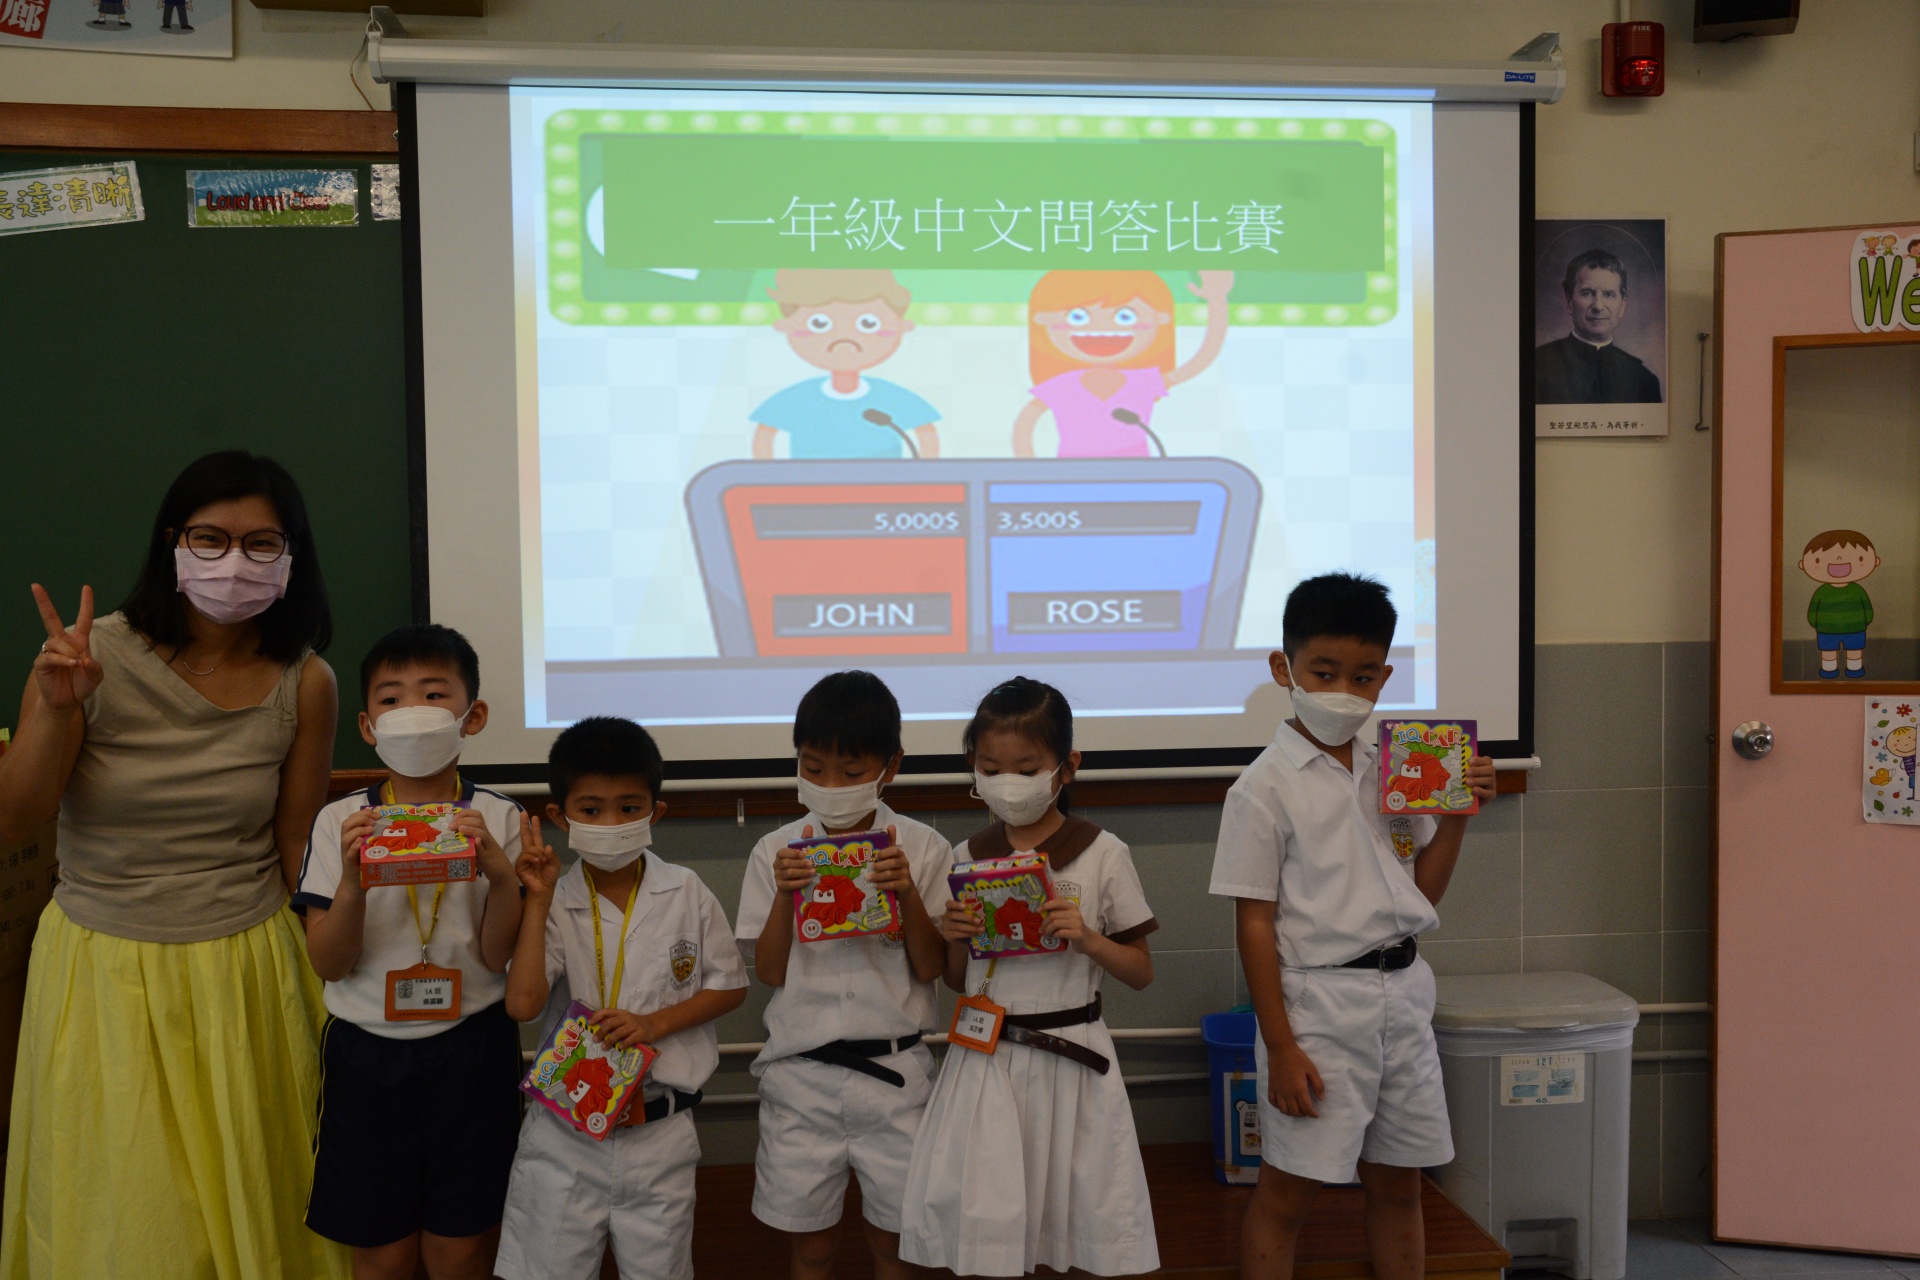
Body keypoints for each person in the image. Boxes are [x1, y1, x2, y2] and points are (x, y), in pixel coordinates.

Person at [0, 451, 347, 1279]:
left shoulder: (308, 680)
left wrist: (334, 970)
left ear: (292, 556)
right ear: (172, 542)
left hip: (246, 968)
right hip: (102, 968)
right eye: (211, 538)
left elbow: (295, 841)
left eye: (262, 543)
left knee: (256, 1191)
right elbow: (20, 814)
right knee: (131, 1212)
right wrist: (58, 709)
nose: (235, 561)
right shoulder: (87, 657)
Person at [1207, 573, 1496, 1280]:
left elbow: (1419, 894)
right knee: (1288, 1194)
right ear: (1284, 669)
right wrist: (1280, 1045)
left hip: (1404, 994)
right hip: (1319, 1008)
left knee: (1401, 1185)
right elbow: (1254, 924)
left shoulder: (1398, 768)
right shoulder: (1262, 788)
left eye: (1363, 676)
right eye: (1324, 672)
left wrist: (1456, 820)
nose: (1344, 690)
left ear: (1385, 677)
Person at [900, 677, 1161, 1277]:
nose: (1008, 784)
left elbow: (1141, 971)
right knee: (989, 1221)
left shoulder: (1102, 852)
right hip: (986, 1057)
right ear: (973, 766)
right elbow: (957, 979)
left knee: (1075, 1214)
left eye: (1026, 769)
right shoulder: (966, 856)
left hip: (1073, 1056)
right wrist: (954, 936)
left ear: (1067, 766)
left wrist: (1089, 939)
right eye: (992, 769)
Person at [293, 624, 526, 1279]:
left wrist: (500, 876)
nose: (413, 710)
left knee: (461, 1249)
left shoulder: (500, 818)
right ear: (368, 726)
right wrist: (352, 882)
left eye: (434, 693)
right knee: (384, 1253)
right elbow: (328, 963)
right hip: (368, 1053)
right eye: (392, 699)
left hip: (472, 1046)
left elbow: (496, 956)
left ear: (472, 716)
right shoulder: (340, 822)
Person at [498, 717, 749, 1280]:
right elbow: (522, 1005)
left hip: (659, 1128)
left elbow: (730, 985)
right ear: (560, 817)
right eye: (590, 810)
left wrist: (656, 1024)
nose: (610, 823)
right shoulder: (553, 900)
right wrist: (536, 900)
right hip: (565, 1132)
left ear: (655, 813)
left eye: (629, 807)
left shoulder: (686, 889)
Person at [735, 671, 951, 1280]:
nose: (830, 786)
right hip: (802, 1075)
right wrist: (786, 893)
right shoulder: (776, 849)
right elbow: (769, 971)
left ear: (891, 766)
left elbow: (932, 967)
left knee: (893, 1241)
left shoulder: (923, 847)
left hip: (896, 1074)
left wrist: (906, 892)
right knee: (811, 1246)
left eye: (852, 772)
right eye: (813, 768)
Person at [1013, 269, 1233, 458]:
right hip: (1074, 470)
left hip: (1134, 472)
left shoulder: (1143, 382)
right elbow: (1025, 425)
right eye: (1078, 317)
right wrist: (1031, 471)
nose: (1101, 328)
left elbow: (1202, 358)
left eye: (1125, 316)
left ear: (1160, 319)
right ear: (1044, 320)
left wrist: (1217, 299)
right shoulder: (1062, 386)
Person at [750, 269, 941, 460]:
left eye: (868, 323)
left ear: (902, 326)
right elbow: (764, 436)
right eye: (819, 323)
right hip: (811, 479)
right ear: (785, 326)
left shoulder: (892, 397)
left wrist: (922, 473)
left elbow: (926, 433)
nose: (844, 335)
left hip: (882, 479)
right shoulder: (798, 398)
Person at [1533, 248, 1662, 404]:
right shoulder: (1536, 366)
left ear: (1622, 305)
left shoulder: (1644, 380)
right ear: (1569, 302)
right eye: (1587, 293)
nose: (1598, 306)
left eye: (1608, 294)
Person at [1797, 529, 1879, 679]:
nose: (1839, 559)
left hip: (1850, 628)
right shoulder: (1822, 592)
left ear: (1876, 561)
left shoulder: (1857, 590)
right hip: (1831, 629)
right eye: (1818, 560)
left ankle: (1852, 669)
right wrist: (1865, 620)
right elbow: (1813, 611)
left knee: (1853, 650)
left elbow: (1867, 610)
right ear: (1802, 565)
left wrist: (1815, 623)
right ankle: (1831, 670)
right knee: (1830, 652)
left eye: (1860, 558)